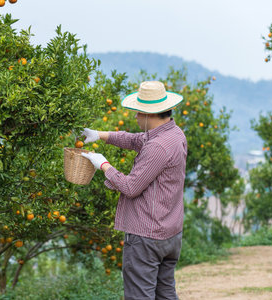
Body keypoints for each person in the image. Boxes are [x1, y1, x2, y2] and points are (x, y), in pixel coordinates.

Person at [80, 81, 187, 300]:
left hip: (148, 235)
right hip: (170, 232)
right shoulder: (174, 134)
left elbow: (131, 187)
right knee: (165, 293)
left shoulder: (158, 146)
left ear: (149, 114)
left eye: (137, 112)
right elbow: (134, 140)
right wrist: (99, 134)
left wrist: (103, 165)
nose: (135, 117)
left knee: (140, 296)